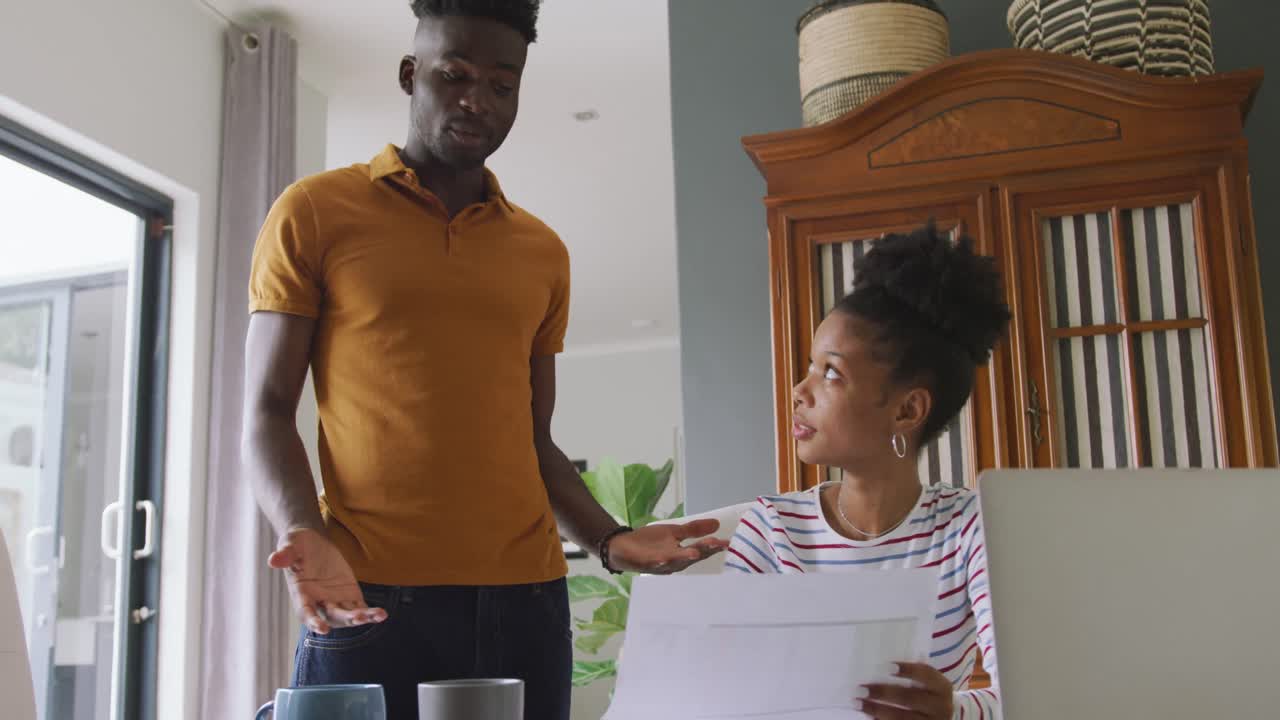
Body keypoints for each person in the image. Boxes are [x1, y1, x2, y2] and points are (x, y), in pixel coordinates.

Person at [240, 2, 725, 718]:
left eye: (504, 84)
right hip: (370, 595)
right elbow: (266, 411)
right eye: (455, 74)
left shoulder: (541, 252)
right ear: (411, 75)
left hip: (524, 600)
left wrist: (611, 539)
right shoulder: (314, 212)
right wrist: (301, 531)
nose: (479, 100)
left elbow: (534, 438)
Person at [725, 223, 1010, 719]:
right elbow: (728, 687)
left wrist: (953, 713)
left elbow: (1026, 692)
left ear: (907, 410)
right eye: (809, 367)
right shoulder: (771, 529)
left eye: (830, 373)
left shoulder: (970, 528)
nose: (799, 390)